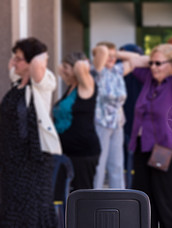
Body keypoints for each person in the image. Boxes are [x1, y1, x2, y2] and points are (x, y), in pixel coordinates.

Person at [128, 44, 172, 228]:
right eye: (151, 63)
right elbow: (133, 61)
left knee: (166, 208)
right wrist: (154, 59)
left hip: (168, 150)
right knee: (144, 206)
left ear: (171, 64)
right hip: (144, 148)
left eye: (158, 63)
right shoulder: (149, 79)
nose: (153, 67)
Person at [0, 37, 57, 227]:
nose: (14, 62)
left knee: (32, 208)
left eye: (19, 59)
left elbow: (39, 65)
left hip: (33, 160)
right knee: (11, 209)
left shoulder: (42, 85)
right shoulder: (17, 85)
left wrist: (37, 54)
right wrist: (17, 61)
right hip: (11, 160)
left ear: (32, 61)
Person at [53, 52, 101, 190]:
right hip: (67, 151)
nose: (62, 70)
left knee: (82, 195)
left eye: (66, 66)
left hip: (83, 152)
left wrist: (80, 63)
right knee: (64, 194)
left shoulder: (87, 85)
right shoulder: (70, 87)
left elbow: (81, 66)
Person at [91, 42, 134, 189]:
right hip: (101, 122)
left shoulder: (117, 70)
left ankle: (119, 201)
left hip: (117, 123)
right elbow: (101, 54)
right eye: (108, 56)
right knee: (99, 165)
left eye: (113, 56)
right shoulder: (96, 71)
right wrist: (104, 52)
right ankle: (94, 200)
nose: (111, 58)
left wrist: (118, 54)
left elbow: (136, 60)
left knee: (117, 165)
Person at [119, 43, 144, 188]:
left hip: (138, 126)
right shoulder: (119, 73)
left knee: (135, 163)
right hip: (122, 124)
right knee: (122, 163)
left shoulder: (142, 74)